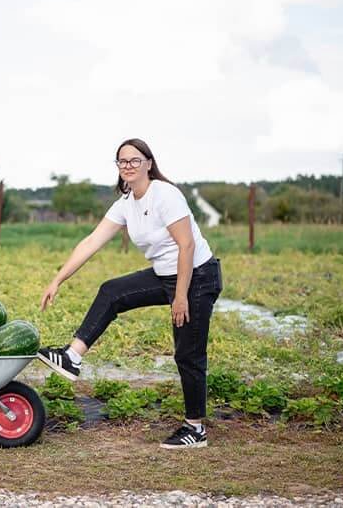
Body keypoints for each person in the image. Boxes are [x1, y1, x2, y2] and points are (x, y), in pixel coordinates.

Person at [37, 139, 223, 449]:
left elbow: (186, 245)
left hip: (197, 277)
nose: (128, 166)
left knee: (188, 354)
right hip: (165, 274)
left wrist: (180, 297)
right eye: (122, 161)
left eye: (135, 160)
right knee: (113, 291)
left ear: (149, 163)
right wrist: (58, 279)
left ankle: (195, 429)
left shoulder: (165, 195)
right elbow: (91, 242)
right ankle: (71, 357)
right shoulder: (126, 203)